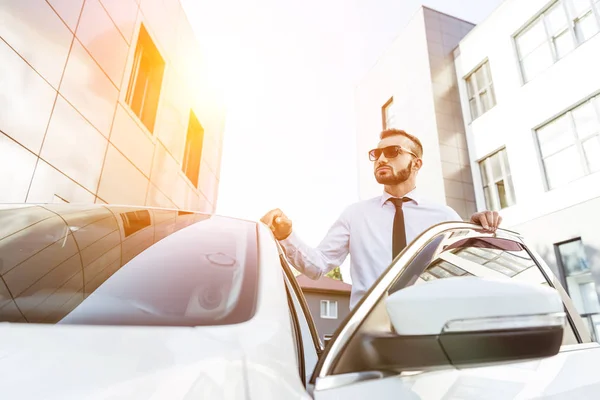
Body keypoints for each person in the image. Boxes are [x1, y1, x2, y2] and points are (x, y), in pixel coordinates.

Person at [261, 128, 502, 308]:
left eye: (392, 152)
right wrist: (286, 235)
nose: (381, 159)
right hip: (367, 333)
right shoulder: (355, 215)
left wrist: (479, 232)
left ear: (416, 163)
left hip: (430, 330)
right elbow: (318, 266)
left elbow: (464, 276)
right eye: (376, 154)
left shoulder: (444, 218)